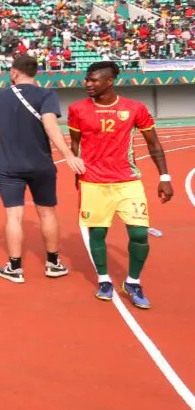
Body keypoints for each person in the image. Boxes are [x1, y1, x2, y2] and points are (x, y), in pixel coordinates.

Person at [68, 61, 172, 308]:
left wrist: (165, 177)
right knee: (98, 233)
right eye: (87, 79)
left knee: (139, 234)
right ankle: (104, 279)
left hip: (128, 181)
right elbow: (75, 144)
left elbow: (154, 143)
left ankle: (133, 282)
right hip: (93, 181)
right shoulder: (77, 109)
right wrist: (77, 173)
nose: (88, 84)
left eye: (93, 80)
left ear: (109, 81)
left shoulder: (135, 108)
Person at [0, 54, 84, 283]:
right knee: (47, 213)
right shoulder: (47, 95)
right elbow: (51, 126)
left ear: (14, 72)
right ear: (35, 72)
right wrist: (68, 155)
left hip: (8, 166)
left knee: (14, 216)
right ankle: (53, 263)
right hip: (41, 164)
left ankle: (15, 268)